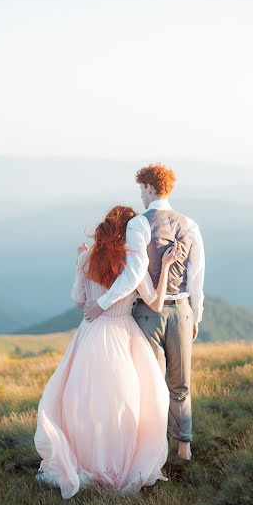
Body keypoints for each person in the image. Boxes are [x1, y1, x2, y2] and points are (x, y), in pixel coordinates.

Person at [34, 205, 182, 499]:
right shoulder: (132, 264)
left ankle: (86, 460)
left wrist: (79, 263)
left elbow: (78, 299)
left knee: (84, 403)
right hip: (120, 334)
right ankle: (117, 465)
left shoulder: (88, 257)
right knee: (124, 402)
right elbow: (154, 302)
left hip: (90, 334)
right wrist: (164, 267)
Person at [84, 163, 205, 461]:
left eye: (141, 188)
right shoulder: (190, 224)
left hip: (148, 315)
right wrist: (196, 315)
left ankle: (153, 447)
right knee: (181, 384)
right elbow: (198, 275)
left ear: (150, 188)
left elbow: (134, 272)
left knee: (149, 385)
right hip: (181, 310)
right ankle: (184, 447)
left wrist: (103, 302)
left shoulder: (138, 225)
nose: (140, 195)